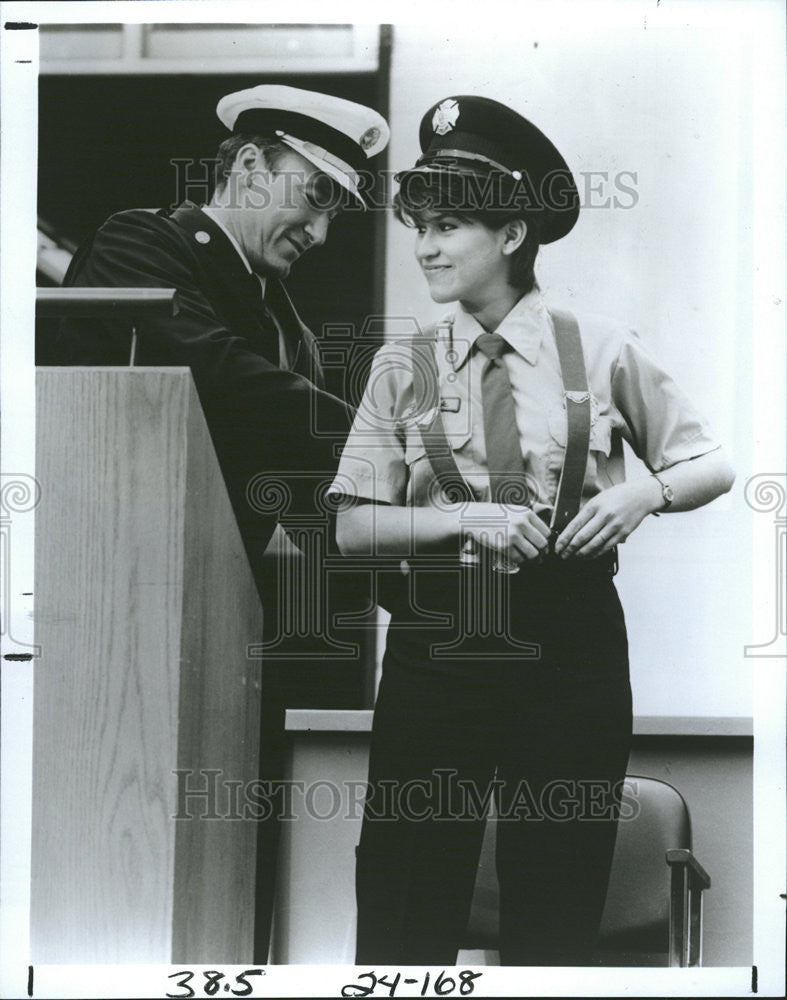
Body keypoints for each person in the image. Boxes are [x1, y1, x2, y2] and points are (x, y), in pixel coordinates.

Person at [331, 95, 735, 966]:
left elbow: (710, 464)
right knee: (407, 888)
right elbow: (353, 529)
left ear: (511, 233)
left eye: (448, 227)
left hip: (570, 642)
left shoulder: (598, 346)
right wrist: (461, 518)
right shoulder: (400, 363)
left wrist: (641, 498)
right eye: (421, 227)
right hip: (437, 641)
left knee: (557, 885)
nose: (427, 247)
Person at [56, 83, 390, 589]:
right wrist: (380, 439)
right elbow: (211, 367)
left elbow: (321, 515)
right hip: (102, 577)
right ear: (250, 166)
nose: (319, 233)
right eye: (317, 195)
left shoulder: (294, 335)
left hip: (211, 599)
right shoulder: (138, 241)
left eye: (334, 214)